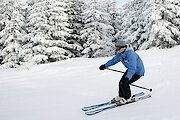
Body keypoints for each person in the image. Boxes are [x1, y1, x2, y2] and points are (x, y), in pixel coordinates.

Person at [99, 40, 145, 104]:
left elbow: (132, 69)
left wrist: (127, 78)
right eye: (116, 48)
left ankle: (127, 98)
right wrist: (105, 65)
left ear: (123, 48)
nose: (117, 50)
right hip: (130, 70)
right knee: (121, 82)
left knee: (125, 83)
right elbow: (113, 61)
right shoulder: (120, 54)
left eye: (118, 48)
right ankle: (121, 96)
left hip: (137, 72)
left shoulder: (131, 55)